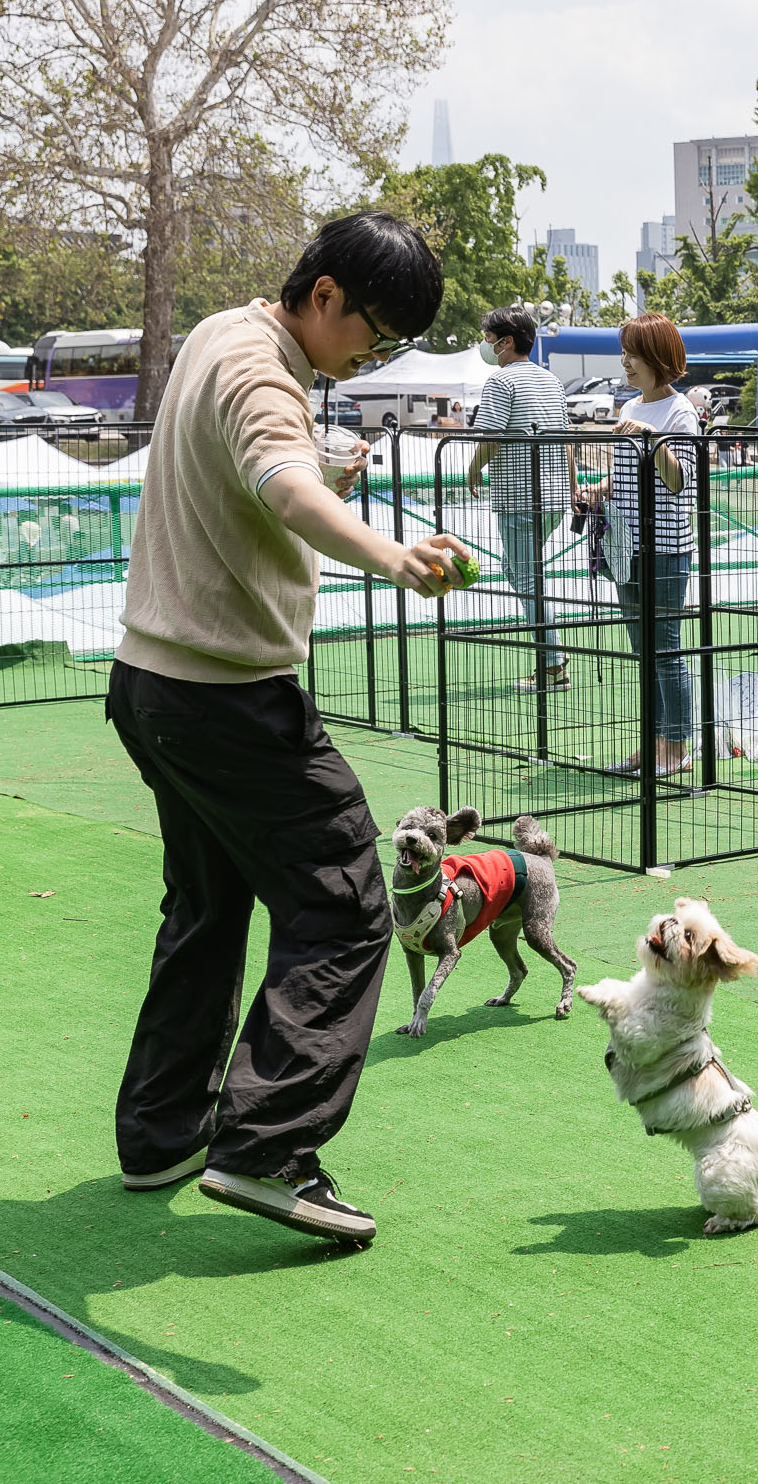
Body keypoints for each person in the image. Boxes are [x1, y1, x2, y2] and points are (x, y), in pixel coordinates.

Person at [108, 211, 469, 1244]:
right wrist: (392, 555)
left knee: (210, 903)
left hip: (152, 684)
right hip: (225, 695)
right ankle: (268, 1148)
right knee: (348, 900)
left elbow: (266, 482)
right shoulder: (267, 374)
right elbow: (278, 480)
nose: (370, 353)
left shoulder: (221, 333)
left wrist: (325, 483)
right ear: (323, 298)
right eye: (374, 332)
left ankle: (161, 1130)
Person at [585, 313, 704, 778]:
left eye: (633, 353)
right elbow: (628, 477)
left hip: (668, 548)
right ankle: (652, 745)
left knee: (666, 647)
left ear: (657, 357)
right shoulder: (629, 407)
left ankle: (677, 747)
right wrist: (599, 490)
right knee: (641, 650)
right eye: (625, 352)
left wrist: (652, 440)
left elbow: (682, 482)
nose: (625, 361)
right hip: (624, 545)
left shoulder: (680, 414)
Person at [466, 304, 575, 692]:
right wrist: (573, 488)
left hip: (518, 498)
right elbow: (566, 440)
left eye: (489, 339)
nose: (485, 345)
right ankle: (553, 659)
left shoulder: (501, 382)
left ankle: (553, 665)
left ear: (506, 343)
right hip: (554, 496)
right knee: (523, 572)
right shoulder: (551, 381)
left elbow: (490, 435)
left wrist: (473, 467)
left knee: (527, 578)